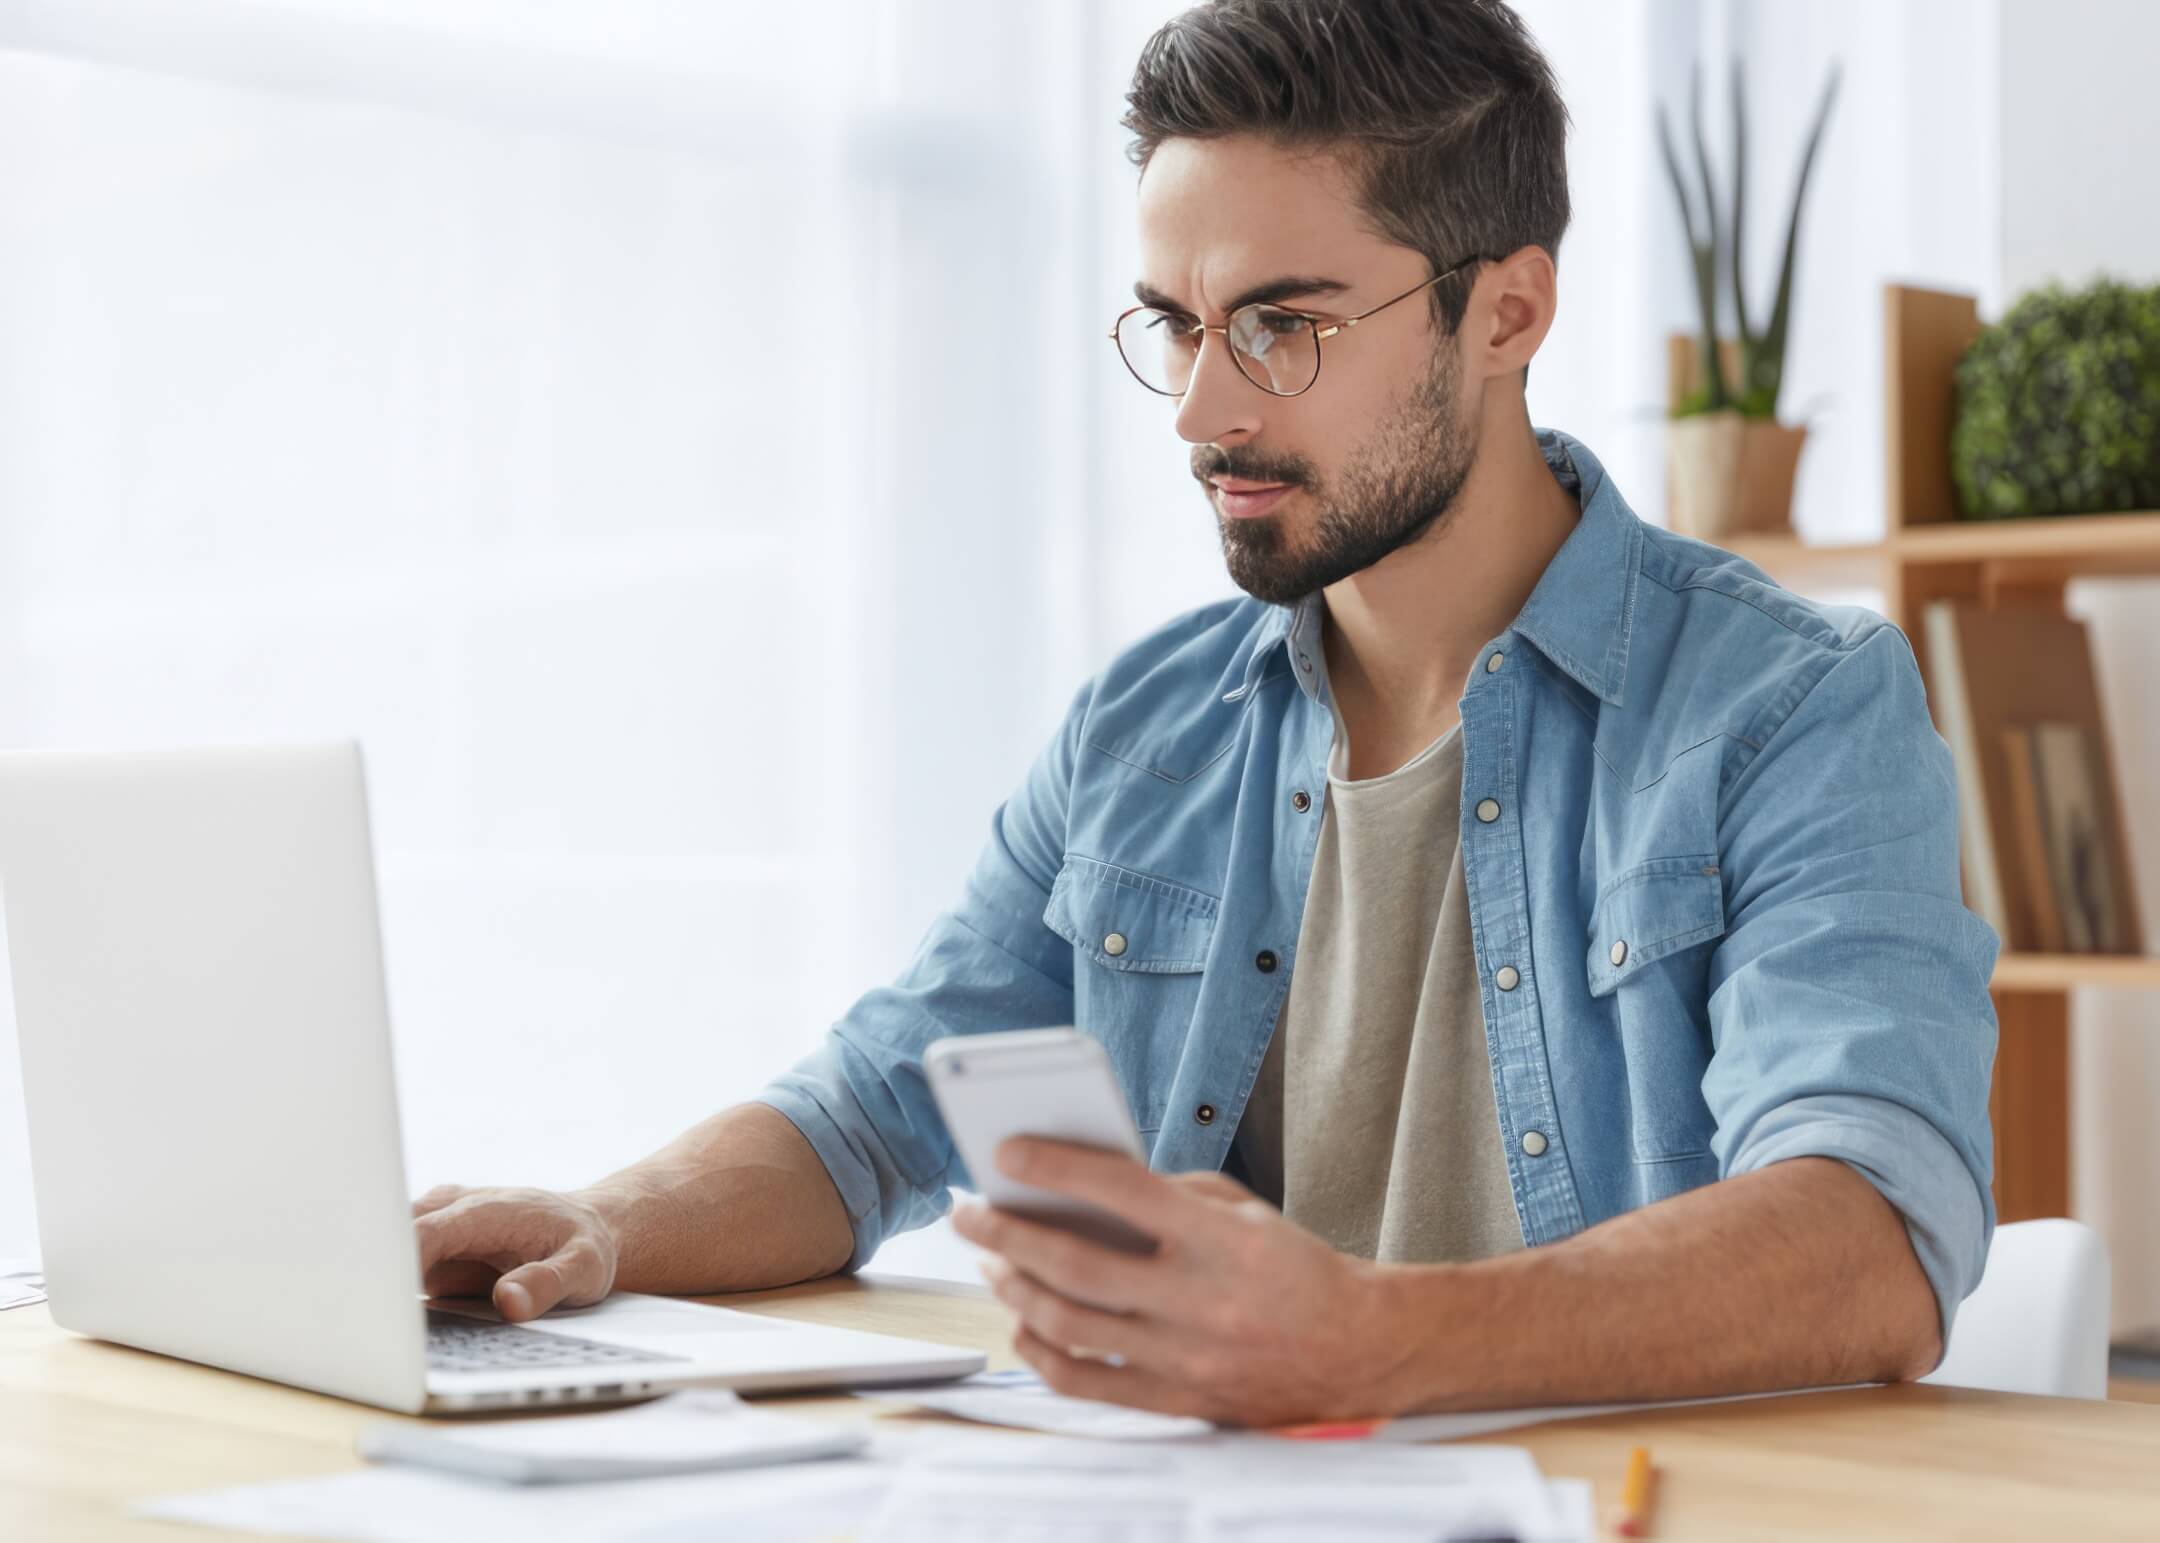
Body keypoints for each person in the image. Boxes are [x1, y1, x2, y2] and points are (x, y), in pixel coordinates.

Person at [414, 0, 1998, 1426]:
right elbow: (875, 1114)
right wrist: (609, 1221)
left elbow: (1871, 1231)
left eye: (1283, 325)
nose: (1202, 408)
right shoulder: (1143, 731)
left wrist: (1378, 1339)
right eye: (1176, 321)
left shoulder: (1793, 708)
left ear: (1508, 314)